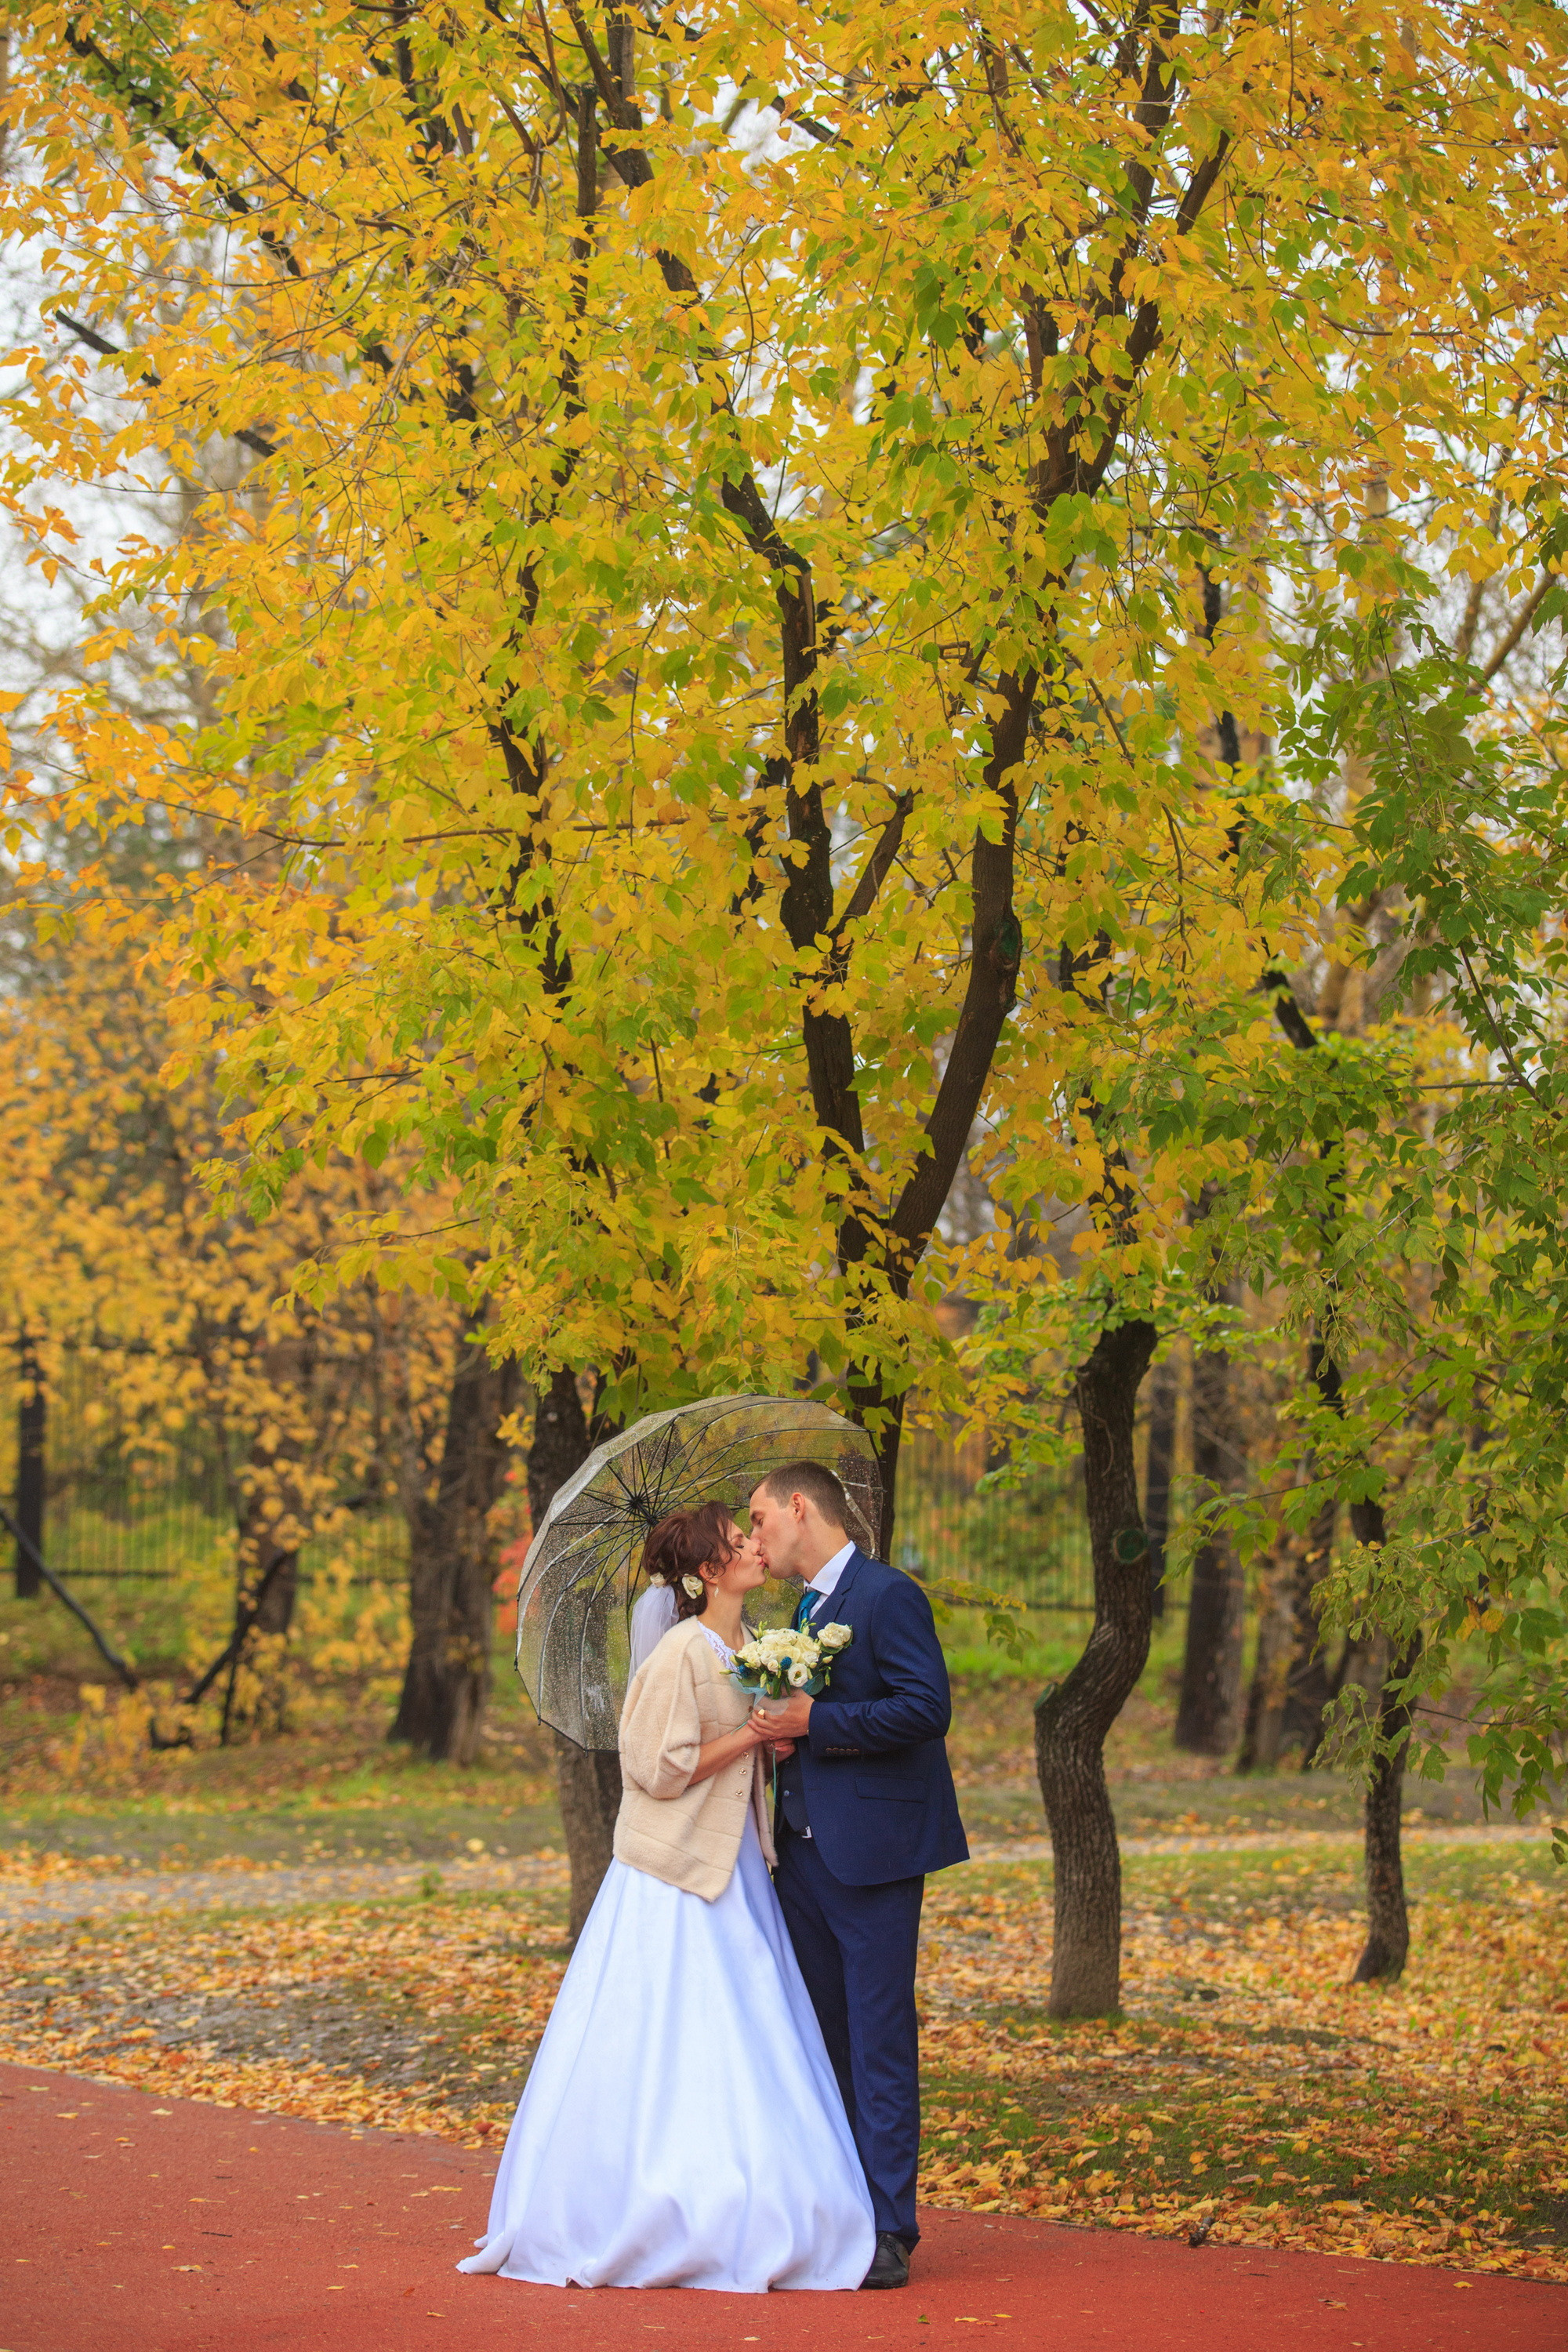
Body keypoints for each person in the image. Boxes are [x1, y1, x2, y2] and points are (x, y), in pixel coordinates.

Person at [457, 1500, 876, 2293]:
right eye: (737, 1542)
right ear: (707, 1571)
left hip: (741, 1863)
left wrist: (777, 1737)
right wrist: (750, 1736)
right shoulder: (680, 1651)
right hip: (673, 1871)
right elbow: (654, 1768)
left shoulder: (755, 1644)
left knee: (752, 2022)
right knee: (676, 2027)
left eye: (752, 1535)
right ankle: (650, 2201)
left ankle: (763, 2194)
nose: (755, 1546)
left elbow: (751, 1747)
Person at [747, 1460, 968, 2292]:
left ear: (801, 1507)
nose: (756, 1535)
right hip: (800, 1857)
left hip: (872, 1856)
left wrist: (817, 1721)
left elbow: (926, 1708)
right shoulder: (802, 1610)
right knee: (819, 2040)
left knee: (877, 2042)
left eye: (761, 1517)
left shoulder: (885, 1595)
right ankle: (836, 2209)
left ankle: (887, 2228)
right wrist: (785, 1736)